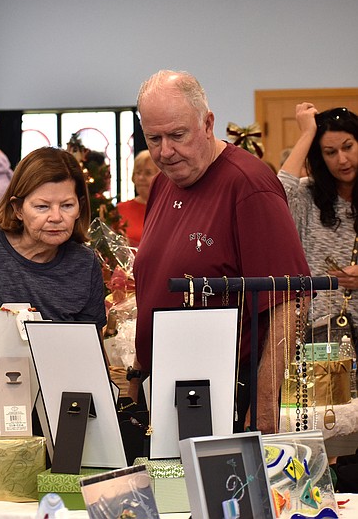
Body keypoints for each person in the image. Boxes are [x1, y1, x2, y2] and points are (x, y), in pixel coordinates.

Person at [129, 70, 309, 434]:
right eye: (154, 138)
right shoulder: (165, 182)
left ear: (208, 123)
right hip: (163, 390)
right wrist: (136, 377)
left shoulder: (248, 185)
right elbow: (153, 290)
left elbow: (290, 299)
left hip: (225, 394)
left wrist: (262, 404)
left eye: (178, 135)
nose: (165, 152)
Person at [0, 146, 107, 330]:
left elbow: (92, 347)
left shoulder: (84, 263)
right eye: (42, 206)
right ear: (18, 208)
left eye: (67, 205)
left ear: (80, 207)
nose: (56, 217)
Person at [279, 104, 358, 326]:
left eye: (348, 147)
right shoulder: (308, 194)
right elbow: (277, 195)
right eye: (330, 152)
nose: (342, 160)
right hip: (320, 331)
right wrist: (307, 134)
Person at [116, 149, 158, 247]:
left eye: (148, 173)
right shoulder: (118, 210)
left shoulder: (171, 208)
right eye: (138, 173)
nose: (140, 178)